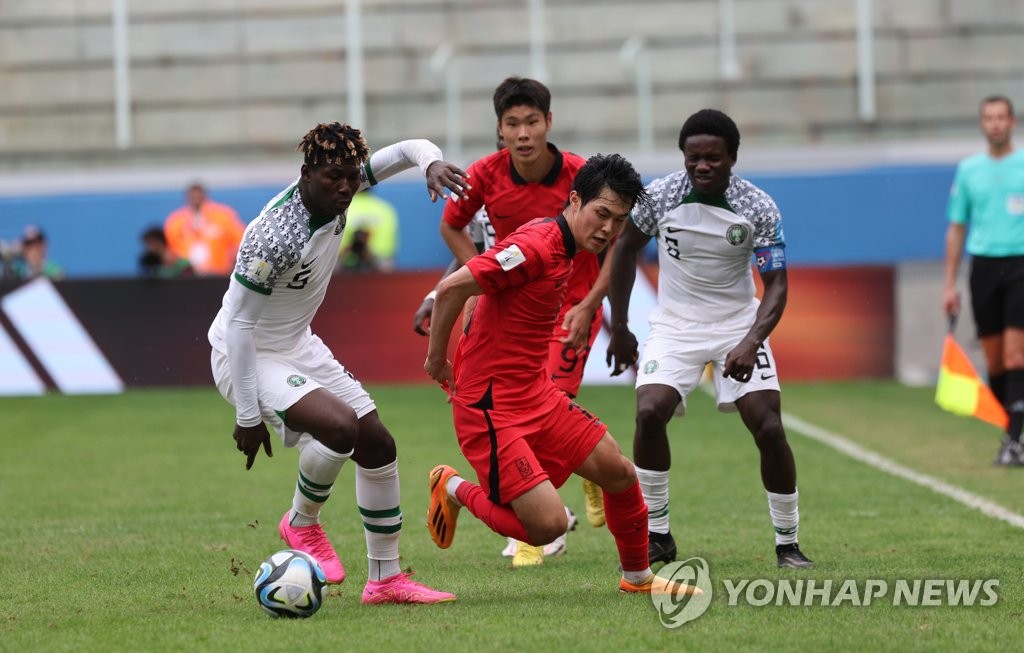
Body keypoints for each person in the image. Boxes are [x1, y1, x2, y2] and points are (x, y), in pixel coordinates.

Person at [207, 122, 470, 605]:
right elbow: (240, 327)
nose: (347, 187)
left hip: (297, 343)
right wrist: (247, 416)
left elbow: (408, 149)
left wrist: (430, 161)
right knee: (340, 427)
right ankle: (301, 523)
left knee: (378, 444)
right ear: (307, 174)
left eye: (352, 176)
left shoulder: (340, 192)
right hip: (245, 353)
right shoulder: (274, 236)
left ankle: (386, 581)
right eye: (334, 177)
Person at [424, 154, 695, 597]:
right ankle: (451, 486)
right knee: (546, 528)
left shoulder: (567, 248)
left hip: (536, 394)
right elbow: (456, 287)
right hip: (490, 408)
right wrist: (437, 359)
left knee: (620, 472)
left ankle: (639, 578)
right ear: (574, 200)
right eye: (601, 214)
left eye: (618, 220)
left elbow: (486, 296)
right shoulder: (537, 246)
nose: (608, 229)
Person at [606, 108, 814, 570]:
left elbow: (777, 284)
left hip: (737, 325)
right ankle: (657, 535)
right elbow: (623, 249)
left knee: (769, 426)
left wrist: (752, 340)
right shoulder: (659, 196)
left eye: (713, 158)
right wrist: (620, 326)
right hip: (675, 326)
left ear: (732, 158)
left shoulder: (758, 206)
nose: (702, 166)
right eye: (693, 157)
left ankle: (788, 544)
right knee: (648, 412)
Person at [434, 76, 608, 566]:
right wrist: (475, 280)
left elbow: (618, 241)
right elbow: (450, 224)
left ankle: (536, 528)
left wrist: (592, 302)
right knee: (518, 411)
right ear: (500, 129)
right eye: (513, 123)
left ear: (549, 123)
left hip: (570, 308)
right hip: (513, 308)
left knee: (552, 405)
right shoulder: (484, 174)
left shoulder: (581, 175)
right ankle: (544, 515)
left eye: (533, 121)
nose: (524, 132)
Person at [944, 95, 1024, 466]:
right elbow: (957, 228)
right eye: (988, 118)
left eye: (1001, 117)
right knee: (994, 362)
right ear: (982, 124)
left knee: (1015, 353)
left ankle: (1013, 440)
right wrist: (950, 284)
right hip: (984, 270)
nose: (995, 124)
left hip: (1020, 264)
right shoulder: (969, 170)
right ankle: (1013, 432)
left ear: (1012, 122)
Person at [164, 182, 245, 276]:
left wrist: (232, 258)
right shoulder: (176, 220)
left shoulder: (223, 216)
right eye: (192, 196)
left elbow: (240, 242)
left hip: (219, 274)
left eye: (198, 195)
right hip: (186, 276)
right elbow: (169, 250)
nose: (196, 199)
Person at [336, 188, 399, 272]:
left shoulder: (341, 209)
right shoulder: (385, 209)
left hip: (346, 261)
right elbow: (390, 247)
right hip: (380, 264)